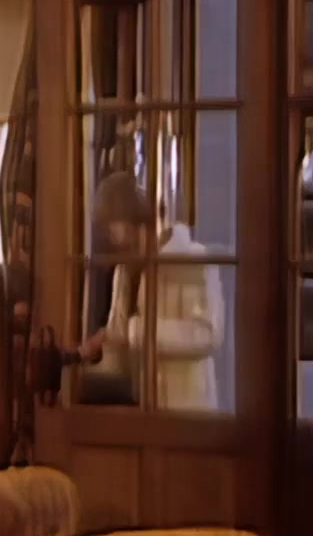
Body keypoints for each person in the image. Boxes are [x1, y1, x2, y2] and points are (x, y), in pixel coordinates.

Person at [76, 172, 226, 411]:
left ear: (135, 221)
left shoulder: (195, 260)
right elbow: (120, 337)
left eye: (113, 226)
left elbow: (208, 334)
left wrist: (139, 330)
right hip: (141, 411)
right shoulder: (125, 269)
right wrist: (92, 357)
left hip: (188, 413)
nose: (112, 237)